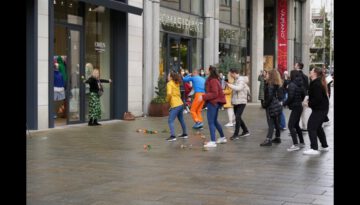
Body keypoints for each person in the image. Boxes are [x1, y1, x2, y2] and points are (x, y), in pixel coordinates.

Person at [302, 67, 330, 155]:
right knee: (317, 127)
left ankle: (314, 148)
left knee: (311, 126)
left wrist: (308, 104)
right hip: (321, 109)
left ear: (315, 73)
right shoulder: (315, 82)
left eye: (311, 70)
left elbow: (318, 98)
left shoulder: (316, 83)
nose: (310, 71)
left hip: (320, 109)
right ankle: (325, 146)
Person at [201, 66, 227, 148]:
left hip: (213, 103)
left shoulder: (213, 81)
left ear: (209, 71)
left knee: (211, 122)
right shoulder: (214, 80)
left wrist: (204, 96)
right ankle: (222, 137)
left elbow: (215, 93)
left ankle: (213, 141)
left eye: (206, 69)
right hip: (214, 103)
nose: (205, 70)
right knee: (214, 121)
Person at [283, 70, 306, 151]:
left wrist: (284, 103)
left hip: (296, 107)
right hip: (299, 106)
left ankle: (295, 144)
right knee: (296, 125)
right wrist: (299, 100)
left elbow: (290, 97)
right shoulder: (300, 84)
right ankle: (302, 142)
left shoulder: (292, 85)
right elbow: (303, 95)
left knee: (290, 125)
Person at [260, 69, 283, 146]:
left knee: (271, 123)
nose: (265, 75)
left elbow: (269, 97)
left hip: (271, 106)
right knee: (276, 122)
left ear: (271, 76)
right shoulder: (276, 84)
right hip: (276, 105)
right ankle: (277, 137)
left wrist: (265, 104)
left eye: (267, 74)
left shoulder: (270, 85)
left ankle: (268, 139)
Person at [227, 68, 251, 140]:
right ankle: (245, 131)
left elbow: (239, 88)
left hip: (241, 101)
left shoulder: (241, 80)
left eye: (231, 74)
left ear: (234, 73)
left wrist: (230, 85)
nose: (231, 76)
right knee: (238, 117)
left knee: (237, 117)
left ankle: (236, 134)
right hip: (236, 101)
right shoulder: (236, 80)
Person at [165, 72, 188, 141]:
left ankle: (173, 136)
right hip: (180, 103)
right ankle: (185, 134)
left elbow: (169, 94)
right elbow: (179, 94)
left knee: (170, 120)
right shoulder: (176, 83)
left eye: (168, 76)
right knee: (181, 119)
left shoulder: (169, 84)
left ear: (171, 77)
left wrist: (167, 100)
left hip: (175, 105)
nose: (167, 77)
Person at [295, 62, 310, 131]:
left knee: (297, 112)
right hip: (305, 96)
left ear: (298, 66)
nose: (294, 65)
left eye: (295, 64)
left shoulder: (295, 74)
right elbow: (307, 87)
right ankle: (304, 126)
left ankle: (296, 127)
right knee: (303, 112)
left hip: (298, 96)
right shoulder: (305, 76)